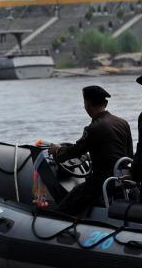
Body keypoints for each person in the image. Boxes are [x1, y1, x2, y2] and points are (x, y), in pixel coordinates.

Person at [47, 85, 133, 216]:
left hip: (103, 181)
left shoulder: (94, 128)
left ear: (87, 104)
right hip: (123, 179)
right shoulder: (123, 123)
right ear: (106, 103)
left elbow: (75, 151)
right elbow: (129, 154)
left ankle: (55, 222)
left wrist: (57, 151)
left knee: (71, 201)